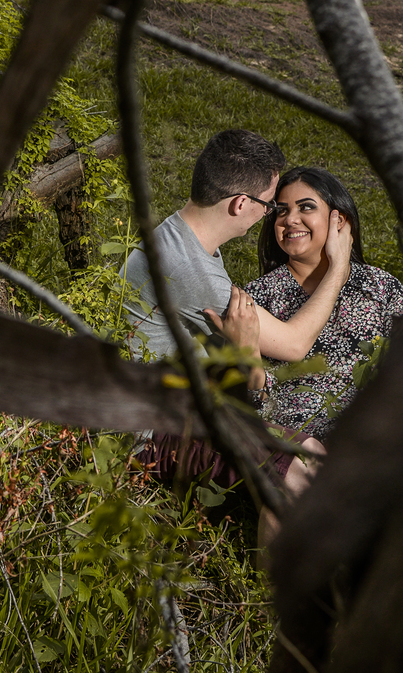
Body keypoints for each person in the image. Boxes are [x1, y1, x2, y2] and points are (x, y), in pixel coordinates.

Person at [121, 131, 352, 540]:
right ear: (241, 204)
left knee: (312, 456)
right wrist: (337, 267)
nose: (270, 216)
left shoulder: (179, 239)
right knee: (298, 478)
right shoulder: (191, 270)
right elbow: (296, 343)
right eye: (269, 206)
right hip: (147, 436)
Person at [238, 167, 403, 441]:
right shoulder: (258, 297)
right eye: (281, 210)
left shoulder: (379, 286)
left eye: (306, 207)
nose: (290, 219)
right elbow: (257, 404)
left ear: (338, 220)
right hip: (301, 448)